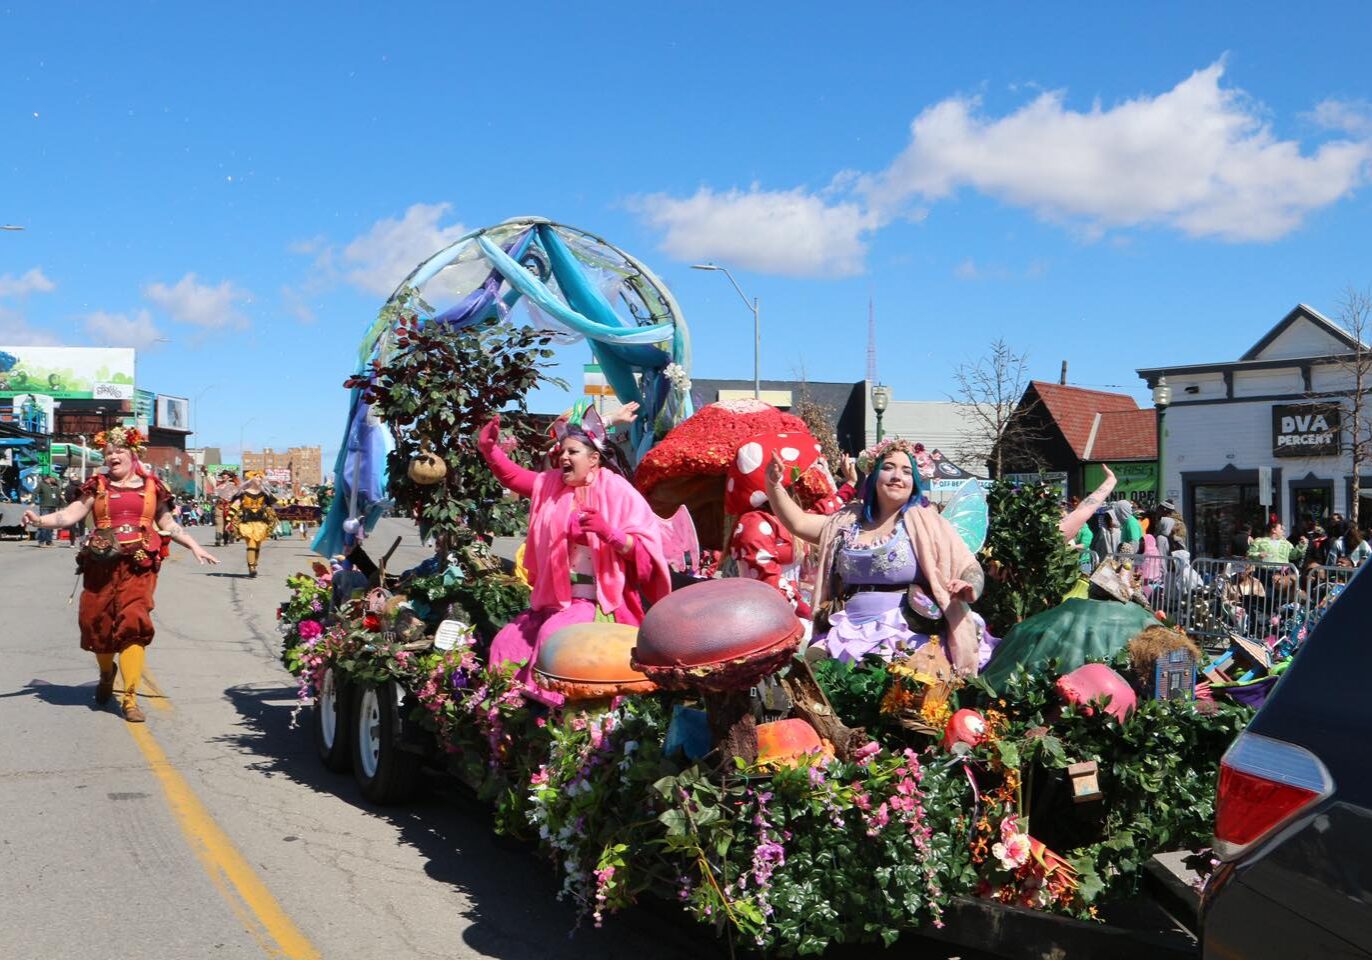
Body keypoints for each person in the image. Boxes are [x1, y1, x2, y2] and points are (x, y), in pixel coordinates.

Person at [21, 427, 218, 722]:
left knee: (133, 623)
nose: (112, 457)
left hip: (139, 563)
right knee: (97, 624)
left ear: (133, 454)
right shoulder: (96, 485)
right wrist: (40, 520)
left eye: (118, 451)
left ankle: (129, 698)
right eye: (108, 453)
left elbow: (168, 523)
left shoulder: (153, 487)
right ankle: (106, 674)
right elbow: (70, 514)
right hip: (101, 562)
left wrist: (193, 545)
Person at [476, 409, 671, 700]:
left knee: (552, 638)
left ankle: (554, 719)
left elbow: (646, 553)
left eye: (573, 452)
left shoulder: (617, 490)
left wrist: (611, 534)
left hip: (595, 603)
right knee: (506, 643)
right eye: (562, 452)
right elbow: (514, 478)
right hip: (552, 602)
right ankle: (509, 717)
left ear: (594, 459)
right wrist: (490, 449)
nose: (563, 457)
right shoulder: (552, 485)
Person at [764, 437, 989, 676]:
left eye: (906, 471)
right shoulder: (846, 521)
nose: (896, 477)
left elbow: (969, 566)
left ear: (914, 482)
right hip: (847, 631)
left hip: (908, 635)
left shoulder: (927, 521)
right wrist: (774, 485)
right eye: (888, 467)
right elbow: (798, 522)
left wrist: (969, 585)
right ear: (873, 475)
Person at [229, 473, 277, 578]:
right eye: (256, 476)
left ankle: (254, 566)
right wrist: (229, 520)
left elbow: (275, 505)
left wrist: (292, 502)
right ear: (251, 479)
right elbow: (235, 506)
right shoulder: (243, 493)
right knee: (251, 543)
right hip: (246, 522)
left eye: (260, 477)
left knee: (257, 546)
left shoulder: (264, 494)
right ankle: (251, 567)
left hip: (260, 523)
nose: (259, 478)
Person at [212, 470, 239, 547]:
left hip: (229, 506)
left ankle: (226, 539)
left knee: (227, 523)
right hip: (219, 505)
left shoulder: (233, 485)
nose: (223, 476)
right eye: (223, 474)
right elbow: (216, 493)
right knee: (219, 522)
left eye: (225, 474)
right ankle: (218, 539)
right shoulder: (219, 484)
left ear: (229, 476)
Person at [35, 473, 62, 546]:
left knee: (51, 525)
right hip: (44, 506)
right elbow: (35, 492)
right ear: (49, 478)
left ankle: (49, 541)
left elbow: (59, 496)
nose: (55, 480)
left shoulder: (55, 486)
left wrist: (60, 505)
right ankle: (41, 541)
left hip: (53, 507)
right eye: (54, 478)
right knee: (44, 524)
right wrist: (32, 501)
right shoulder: (41, 484)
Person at [63, 474, 86, 547]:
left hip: (72, 507)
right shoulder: (83, 486)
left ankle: (72, 543)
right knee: (82, 526)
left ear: (71, 479)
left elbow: (66, 498)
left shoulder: (68, 487)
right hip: (82, 507)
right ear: (77, 477)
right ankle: (82, 542)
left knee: (72, 526)